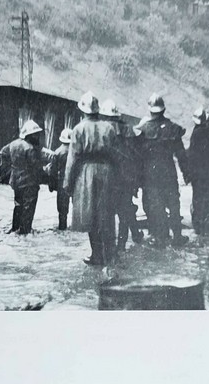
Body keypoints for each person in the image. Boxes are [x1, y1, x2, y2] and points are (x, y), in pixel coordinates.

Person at [63, 92, 119, 266]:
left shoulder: (78, 129)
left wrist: (68, 183)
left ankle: (96, 255)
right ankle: (110, 255)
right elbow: (116, 155)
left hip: (86, 173)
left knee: (90, 214)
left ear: (83, 110)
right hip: (107, 172)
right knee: (107, 214)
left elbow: (72, 158)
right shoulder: (109, 128)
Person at [133, 93, 190, 247]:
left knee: (155, 204)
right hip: (168, 170)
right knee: (173, 202)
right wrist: (186, 173)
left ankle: (159, 238)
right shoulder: (173, 129)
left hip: (150, 172)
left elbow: (137, 156)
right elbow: (181, 154)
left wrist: (136, 178)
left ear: (150, 110)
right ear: (163, 110)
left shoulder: (143, 129)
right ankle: (177, 236)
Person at [100, 99, 143, 250]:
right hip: (126, 176)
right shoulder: (128, 130)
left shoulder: (103, 129)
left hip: (108, 177)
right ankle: (122, 243)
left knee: (109, 212)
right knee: (125, 210)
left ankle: (111, 246)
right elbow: (136, 155)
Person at [0, 119, 52, 235]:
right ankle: (25, 230)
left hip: (15, 180)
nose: (37, 136)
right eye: (36, 134)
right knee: (29, 206)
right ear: (30, 135)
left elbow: (3, 152)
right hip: (29, 181)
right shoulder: (30, 148)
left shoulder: (13, 144)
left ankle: (15, 228)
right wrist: (47, 171)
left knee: (18, 204)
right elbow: (36, 167)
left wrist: (11, 166)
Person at [47, 126, 73, 230]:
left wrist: (51, 185)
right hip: (75, 181)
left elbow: (53, 171)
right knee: (77, 206)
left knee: (62, 209)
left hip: (62, 181)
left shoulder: (57, 152)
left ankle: (62, 227)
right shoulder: (77, 151)